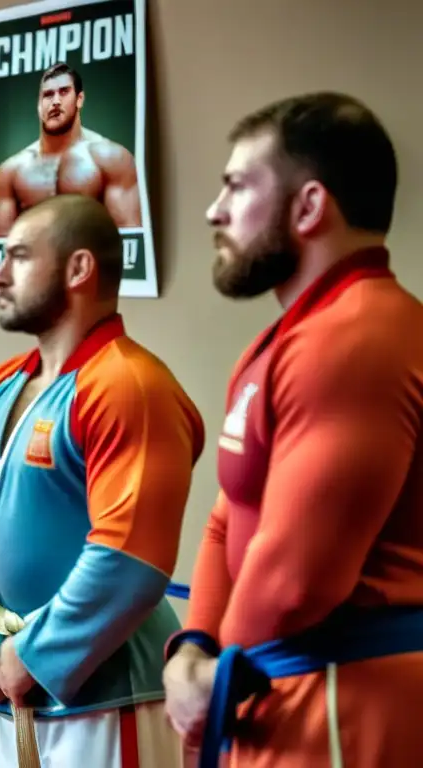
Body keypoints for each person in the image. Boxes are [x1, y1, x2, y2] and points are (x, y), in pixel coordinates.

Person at [163, 92, 423, 768]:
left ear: (309, 207)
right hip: (272, 682)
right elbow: (230, 516)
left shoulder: (358, 337)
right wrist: (194, 648)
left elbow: (295, 584)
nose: (214, 211)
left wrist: (211, 684)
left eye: (237, 186)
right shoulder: (285, 340)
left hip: (343, 697)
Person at [0, 194, 203, 767]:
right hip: (13, 687)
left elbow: (130, 556)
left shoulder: (130, 385)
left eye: (19, 257)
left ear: (79, 268)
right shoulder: (2, 386)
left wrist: (33, 655)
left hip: (109, 696)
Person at [0, 63, 142, 237]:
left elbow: (130, 241)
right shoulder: (12, 170)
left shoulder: (111, 159)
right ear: (39, 105)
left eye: (64, 92)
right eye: (48, 95)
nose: (55, 101)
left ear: (79, 99)